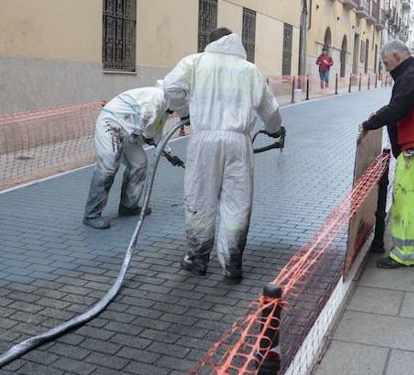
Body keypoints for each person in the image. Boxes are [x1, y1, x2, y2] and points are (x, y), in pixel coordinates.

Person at [163, 28, 284, 283]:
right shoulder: (250, 70)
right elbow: (271, 111)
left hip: (204, 140)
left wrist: (184, 111)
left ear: (211, 43)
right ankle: (232, 263)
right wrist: (274, 131)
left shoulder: (194, 63)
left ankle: (197, 258)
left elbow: (170, 88)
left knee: (200, 198)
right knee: (237, 202)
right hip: (238, 142)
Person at [359, 40, 414, 268]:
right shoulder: (411, 75)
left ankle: (404, 254)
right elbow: (400, 107)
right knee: (412, 200)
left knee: (405, 200)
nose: (386, 68)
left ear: (397, 56)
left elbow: (398, 108)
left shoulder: (412, 77)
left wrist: (370, 122)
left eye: (386, 63)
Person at [84, 83, 184, 230]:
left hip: (129, 132)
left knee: (140, 164)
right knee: (108, 167)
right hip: (111, 124)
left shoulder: (165, 110)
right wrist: (149, 137)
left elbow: (157, 135)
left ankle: (128, 206)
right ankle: (91, 214)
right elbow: (148, 123)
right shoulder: (156, 96)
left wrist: (170, 155)